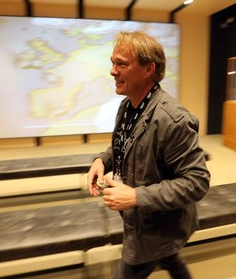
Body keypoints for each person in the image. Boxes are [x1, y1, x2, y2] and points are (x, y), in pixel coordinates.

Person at [87, 31, 210, 279]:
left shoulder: (172, 119)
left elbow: (197, 182)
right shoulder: (128, 105)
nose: (113, 71)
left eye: (122, 63)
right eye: (113, 62)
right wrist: (102, 160)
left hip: (155, 224)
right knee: (170, 258)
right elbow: (126, 145)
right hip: (145, 219)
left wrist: (135, 196)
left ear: (148, 69)